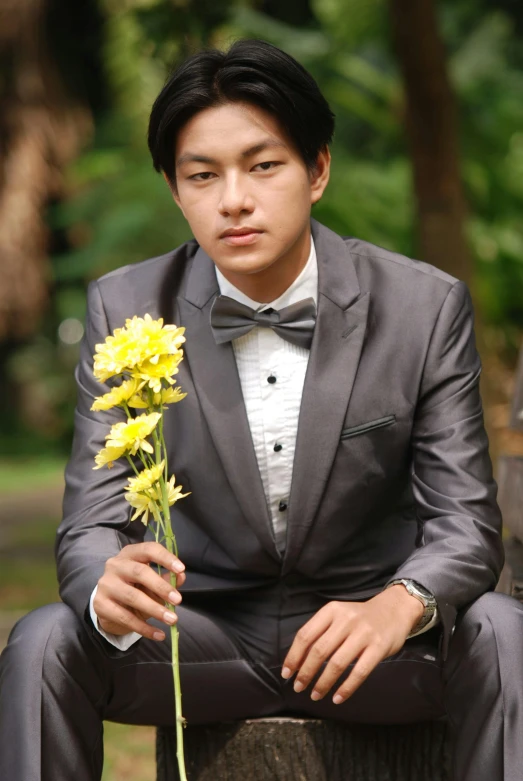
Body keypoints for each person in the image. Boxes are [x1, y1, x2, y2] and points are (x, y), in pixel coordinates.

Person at [0, 38, 521, 781]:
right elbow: (90, 525)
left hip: (374, 647)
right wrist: (102, 585)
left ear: (317, 169)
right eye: (202, 175)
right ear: (175, 190)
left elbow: (465, 522)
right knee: (46, 638)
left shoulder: (422, 306)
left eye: (263, 165)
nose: (233, 199)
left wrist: (396, 604)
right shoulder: (124, 305)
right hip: (198, 642)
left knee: (503, 629)